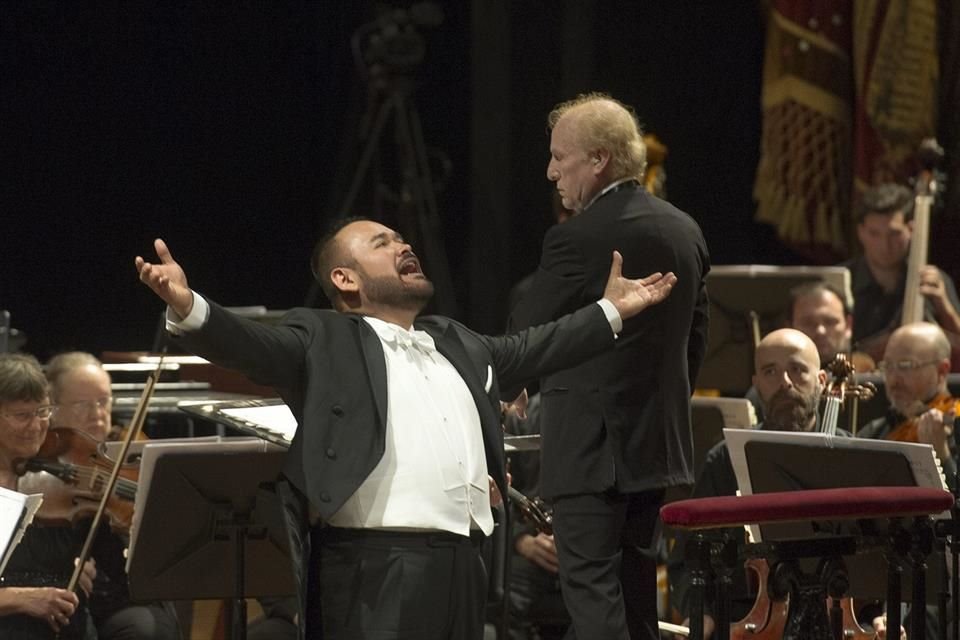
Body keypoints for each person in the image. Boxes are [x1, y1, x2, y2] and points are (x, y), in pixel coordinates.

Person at [134, 217, 677, 640]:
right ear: (345, 279)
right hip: (374, 565)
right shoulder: (322, 337)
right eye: (381, 242)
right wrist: (189, 307)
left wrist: (613, 309)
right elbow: (252, 344)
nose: (402, 245)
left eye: (400, 237)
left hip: (466, 564)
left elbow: (542, 345)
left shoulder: (457, 340)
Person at [508, 93, 710, 639]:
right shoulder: (684, 230)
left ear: (598, 160)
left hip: (588, 456)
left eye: (559, 157)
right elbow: (695, 339)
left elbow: (525, 341)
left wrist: (513, 382)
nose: (551, 171)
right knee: (637, 599)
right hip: (655, 449)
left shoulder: (575, 239)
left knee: (594, 603)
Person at [667, 329, 827, 638]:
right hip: (746, 623)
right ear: (756, 384)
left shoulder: (851, 456)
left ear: (821, 380)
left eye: (797, 369)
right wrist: (700, 613)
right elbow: (688, 558)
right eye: (770, 371)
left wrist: (884, 614)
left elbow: (881, 560)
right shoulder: (727, 458)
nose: (784, 382)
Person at [46, 352, 182, 640]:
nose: (97, 412)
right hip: (63, 594)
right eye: (83, 404)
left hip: (120, 598)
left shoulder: (131, 452)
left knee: (152, 628)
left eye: (103, 401)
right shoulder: (39, 462)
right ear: (52, 407)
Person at [0, 353, 97, 640]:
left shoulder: (58, 479)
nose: (36, 425)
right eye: (22, 415)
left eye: (43, 411)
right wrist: (23, 598)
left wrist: (82, 560)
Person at [843, 182, 960, 356]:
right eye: (875, 234)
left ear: (911, 229)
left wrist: (943, 305)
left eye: (894, 234)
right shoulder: (842, 279)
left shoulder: (934, 281)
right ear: (861, 232)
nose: (885, 245)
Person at [745, 281, 852, 421]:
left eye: (830, 321)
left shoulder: (858, 388)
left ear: (848, 325)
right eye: (808, 322)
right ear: (789, 326)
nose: (821, 331)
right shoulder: (763, 394)